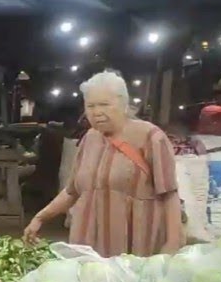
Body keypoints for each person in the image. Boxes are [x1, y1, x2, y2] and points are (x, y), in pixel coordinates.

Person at [24, 70, 183, 256]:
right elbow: (72, 191)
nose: (97, 112)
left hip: (135, 247)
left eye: (105, 105)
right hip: (88, 245)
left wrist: (172, 243)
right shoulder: (89, 139)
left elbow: (169, 194)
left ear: (124, 104)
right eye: (90, 106)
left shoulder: (151, 137)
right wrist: (41, 217)